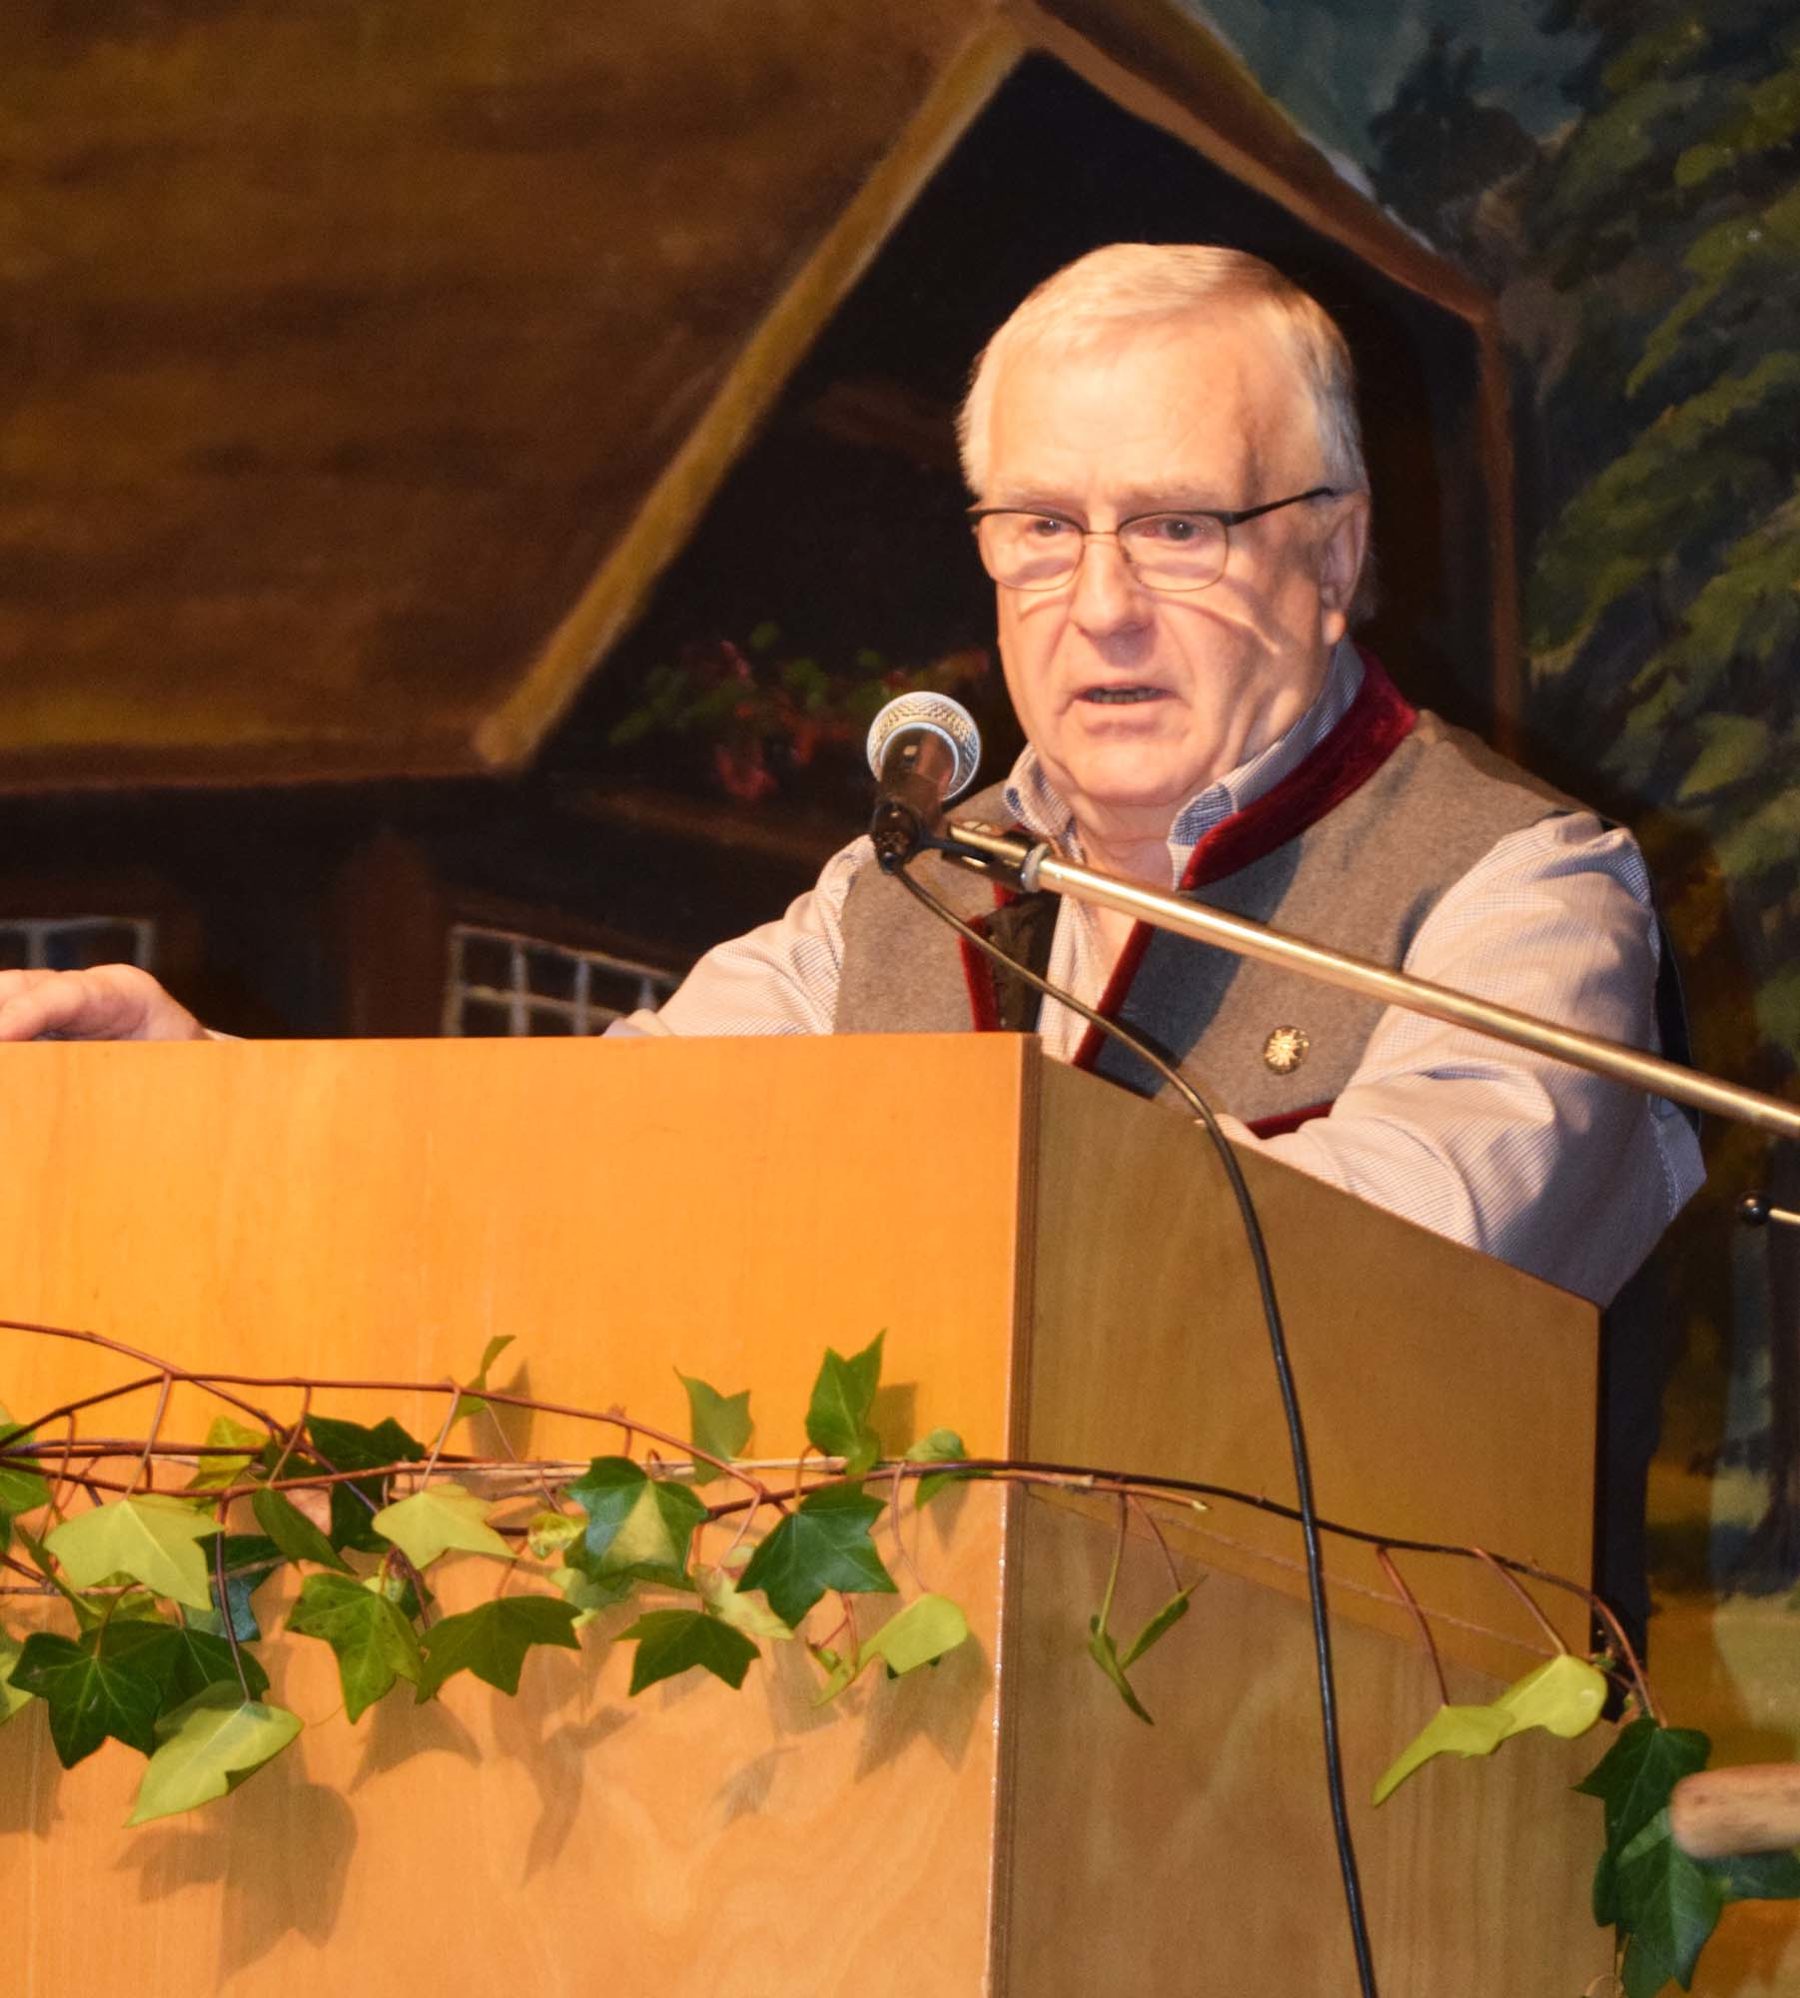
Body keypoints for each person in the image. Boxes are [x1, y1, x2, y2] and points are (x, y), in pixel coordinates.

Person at [0, 244, 1702, 1310]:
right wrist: (206, 1095)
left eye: (1179, 527)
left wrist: (875, 1218)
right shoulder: (903, 894)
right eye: (1042, 528)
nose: (1101, 603)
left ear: (1331, 555)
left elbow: (1396, 1277)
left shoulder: (1521, 890)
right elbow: (579, 1154)